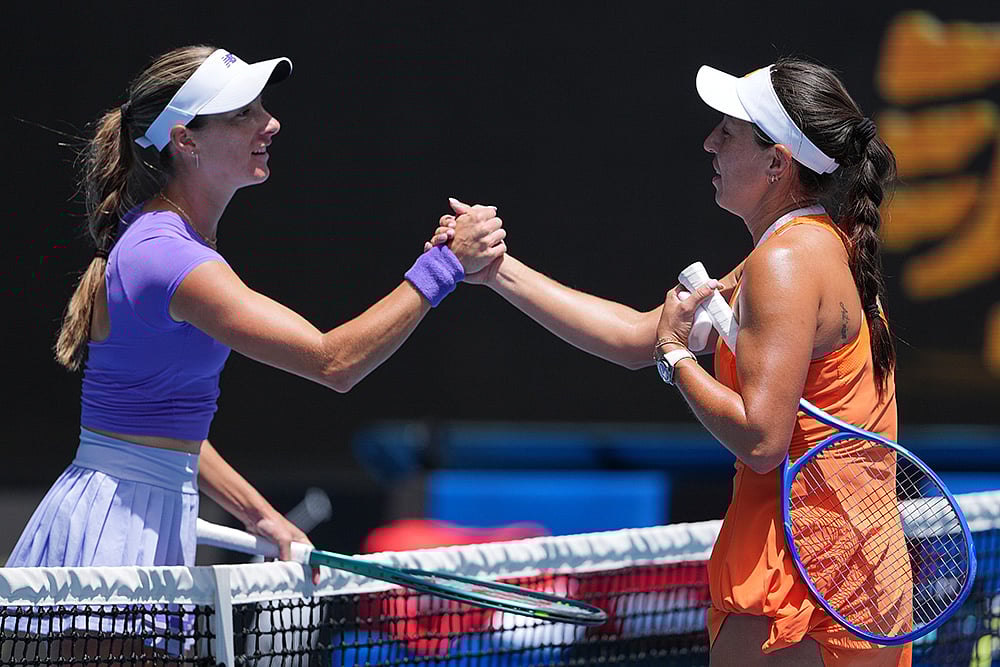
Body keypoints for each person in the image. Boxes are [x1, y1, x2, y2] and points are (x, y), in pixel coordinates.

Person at [428, 57, 902, 666]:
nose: (710, 142)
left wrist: (677, 358)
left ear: (777, 162)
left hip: (800, 578)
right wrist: (495, 271)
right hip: (856, 571)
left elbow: (760, 439)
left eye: (727, 132)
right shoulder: (813, 245)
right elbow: (634, 335)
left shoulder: (785, 264)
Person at [7, 45, 505, 577]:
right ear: (185, 140)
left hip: (133, 514)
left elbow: (168, 428)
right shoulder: (168, 255)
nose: (270, 123)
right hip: (114, 532)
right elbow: (332, 362)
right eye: (243, 113)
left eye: (261, 107)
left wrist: (260, 516)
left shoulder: (169, 240)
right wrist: (444, 268)